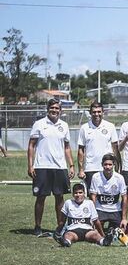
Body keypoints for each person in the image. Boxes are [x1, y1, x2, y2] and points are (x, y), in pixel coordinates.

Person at [28, 99, 75, 237]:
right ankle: (37, 226)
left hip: (60, 167)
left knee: (59, 197)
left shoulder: (64, 126)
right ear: (48, 109)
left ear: (60, 110)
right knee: (41, 197)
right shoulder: (39, 124)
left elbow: (67, 147)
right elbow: (31, 145)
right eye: (52, 108)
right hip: (42, 166)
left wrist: (71, 165)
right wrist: (30, 165)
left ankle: (60, 227)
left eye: (57, 108)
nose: (54, 110)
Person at [53, 183, 113, 247]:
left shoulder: (89, 203)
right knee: (68, 236)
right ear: (73, 194)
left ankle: (104, 241)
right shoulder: (68, 203)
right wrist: (58, 232)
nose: (78, 195)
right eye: (76, 193)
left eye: (80, 192)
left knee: (95, 235)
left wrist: (102, 235)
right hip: (73, 230)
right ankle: (66, 242)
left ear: (84, 194)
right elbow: (62, 221)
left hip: (87, 230)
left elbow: (96, 221)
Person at [77, 101, 119, 191]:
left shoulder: (110, 126)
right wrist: (81, 169)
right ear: (90, 113)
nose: (97, 114)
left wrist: (117, 166)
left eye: (99, 112)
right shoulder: (84, 128)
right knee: (93, 196)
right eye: (94, 112)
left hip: (107, 167)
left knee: (108, 194)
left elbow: (115, 148)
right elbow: (81, 150)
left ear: (103, 112)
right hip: (90, 168)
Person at [88, 153, 128, 231]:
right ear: (102, 165)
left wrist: (124, 218)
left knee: (122, 230)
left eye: (110, 164)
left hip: (115, 210)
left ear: (113, 165)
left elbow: (125, 198)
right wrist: (92, 216)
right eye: (105, 164)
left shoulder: (119, 178)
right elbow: (93, 197)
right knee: (94, 230)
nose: (108, 167)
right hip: (100, 209)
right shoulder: (96, 177)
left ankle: (112, 227)